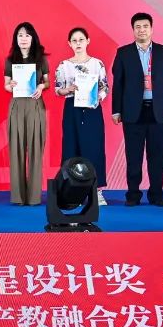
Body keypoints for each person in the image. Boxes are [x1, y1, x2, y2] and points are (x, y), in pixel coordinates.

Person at [111, 12, 163, 207]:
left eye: (145, 26)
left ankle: (156, 195)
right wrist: (116, 110)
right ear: (133, 30)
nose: (141, 30)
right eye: (138, 27)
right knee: (133, 156)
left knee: (158, 156)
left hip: (159, 111)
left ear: (151, 29)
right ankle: (133, 195)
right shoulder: (123, 53)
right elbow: (118, 83)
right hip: (133, 111)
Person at [54, 27, 109, 205]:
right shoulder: (64, 66)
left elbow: (104, 87)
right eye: (74, 41)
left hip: (92, 108)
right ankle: (72, 193)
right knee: (72, 148)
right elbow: (57, 89)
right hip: (72, 108)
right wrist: (68, 89)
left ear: (88, 41)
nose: (78, 43)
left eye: (81, 40)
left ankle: (97, 191)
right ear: (69, 43)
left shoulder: (97, 64)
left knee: (94, 148)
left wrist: (98, 98)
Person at [4, 22, 49, 205]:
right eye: (20, 35)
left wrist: (41, 86)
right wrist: (10, 85)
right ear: (16, 38)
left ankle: (34, 196)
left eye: (27, 35)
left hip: (35, 105)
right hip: (17, 105)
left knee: (36, 149)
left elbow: (47, 82)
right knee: (16, 149)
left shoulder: (41, 59)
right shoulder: (10, 60)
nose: (23, 39)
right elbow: (6, 85)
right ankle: (18, 196)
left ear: (33, 38)